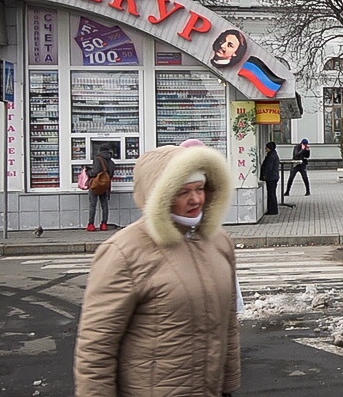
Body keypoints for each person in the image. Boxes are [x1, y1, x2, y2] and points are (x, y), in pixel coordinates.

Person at [74, 140, 241, 396]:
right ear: (159, 195)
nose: (196, 199)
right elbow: (97, 348)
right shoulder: (124, 251)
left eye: (200, 188)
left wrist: (229, 386)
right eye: (183, 192)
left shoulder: (218, 242)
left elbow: (228, 324)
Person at [86, 147, 116, 232]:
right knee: (104, 205)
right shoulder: (111, 162)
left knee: (93, 205)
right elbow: (111, 174)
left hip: (96, 185)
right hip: (105, 185)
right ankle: (104, 224)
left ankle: (91, 225)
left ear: (100, 151)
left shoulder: (97, 159)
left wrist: (88, 172)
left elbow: (95, 172)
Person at [261, 141, 281, 215]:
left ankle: (272, 210)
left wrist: (264, 175)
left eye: (266, 148)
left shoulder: (270, 156)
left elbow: (268, 167)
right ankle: (273, 209)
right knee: (272, 193)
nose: (265, 149)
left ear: (269, 148)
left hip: (271, 177)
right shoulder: (274, 155)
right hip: (274, 177)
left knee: (271, 193)